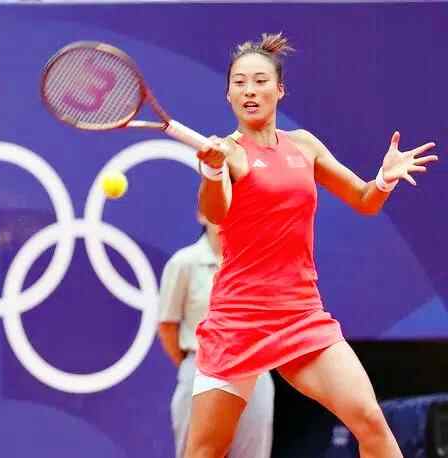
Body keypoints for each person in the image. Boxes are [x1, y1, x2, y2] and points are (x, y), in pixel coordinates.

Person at [185, 32, 439, 458]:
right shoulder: (226, 152)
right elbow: (216, 212)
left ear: (280, 90)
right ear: (228, 94)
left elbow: (364, 200)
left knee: (370, 421)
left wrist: (383, 179)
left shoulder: (304, 145)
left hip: (300, 315)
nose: (250, 91)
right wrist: (212, 171)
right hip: (238, 320)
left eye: (260, 81)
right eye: (240, 83)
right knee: (204, 451)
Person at [157, 216, 274, 458]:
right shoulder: (183, 263)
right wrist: (194, 364)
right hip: (201, 367)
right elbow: (167, 326)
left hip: (254, 371)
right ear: (201, 214)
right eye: (217, 203)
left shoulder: (258, 262)